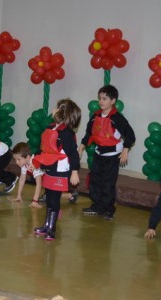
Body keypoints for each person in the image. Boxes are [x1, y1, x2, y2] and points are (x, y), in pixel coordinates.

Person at [78, 84, 136, 220]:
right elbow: (88, 133)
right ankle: (97, 206)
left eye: (104, 98)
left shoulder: (117, 118)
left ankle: (109, 209)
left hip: (112, 156)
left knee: (108, 183)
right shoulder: (95, 116)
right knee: (95, 181)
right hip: (99, 154)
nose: (101, 101)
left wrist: (125, 150)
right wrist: (81, 146)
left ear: (113, 101)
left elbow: (130, 135)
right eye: (100, 98)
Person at [32, 99, 81, 240]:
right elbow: (43, 148)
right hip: (49, 168)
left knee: (54, 200)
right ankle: (46, 225)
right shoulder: (50, 127)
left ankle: (52, 229)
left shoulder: (67, 133)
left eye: (56, 107)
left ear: (62, 112)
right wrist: (35, 161)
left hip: (60, 169)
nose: (53, 109)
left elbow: (73, 153)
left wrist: (74, 171)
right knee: (49, 199)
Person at [12, 142, 44, 209]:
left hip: (50, 177)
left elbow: (39, 183)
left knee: (52, 195)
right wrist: (18, 196)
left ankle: (70, 195)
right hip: (45, 179)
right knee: (50, 196)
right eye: (15, 159)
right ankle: (70, 195)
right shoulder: (25, 163)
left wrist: (35, 201)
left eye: (18, 159)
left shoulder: (34, 163)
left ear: (28, 157)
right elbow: (22, 178)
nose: (16, 162)